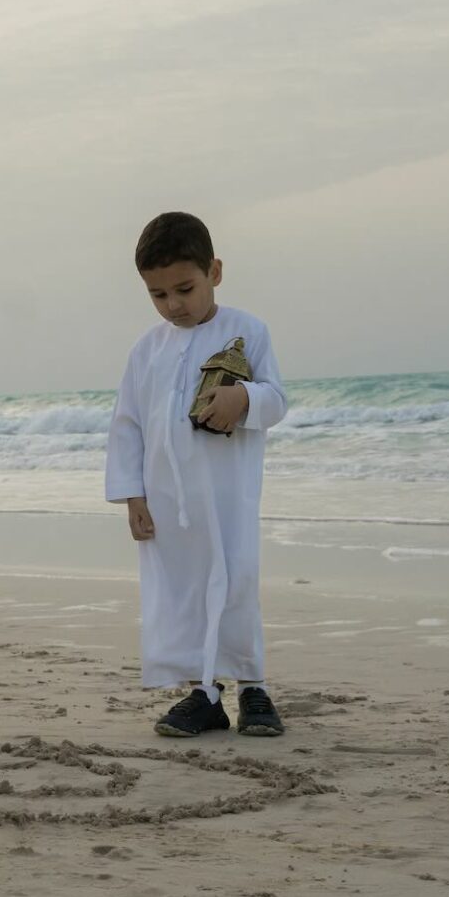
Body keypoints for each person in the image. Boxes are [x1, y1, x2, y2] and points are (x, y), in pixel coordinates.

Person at [104, 212, 290, 737]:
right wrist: (131, 494)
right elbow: (128, 424)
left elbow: (276, 399)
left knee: (235, 581)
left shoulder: (248, 331)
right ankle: (203, 693)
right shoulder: (147, 350)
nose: (174, 305)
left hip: (226, 495)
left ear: (215, 271)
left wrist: (242, 397)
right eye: (158, 295)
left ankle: (253, 689)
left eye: (184, 288)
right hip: (168, 501)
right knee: (181, 592)